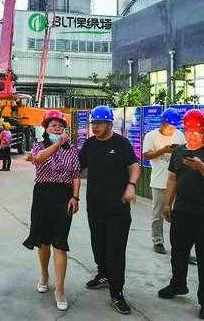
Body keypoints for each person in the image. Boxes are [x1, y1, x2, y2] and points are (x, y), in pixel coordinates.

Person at [159, 109, 204, 320]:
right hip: (182, 212)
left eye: (197, 131)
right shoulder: (179, 152)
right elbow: (171, 179)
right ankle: (178, 284)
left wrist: (201, 167)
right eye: (188, 130)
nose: (192, 135)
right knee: (178, 253)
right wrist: (167, 204)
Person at [79, 105, 140, 315]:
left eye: (99, 123)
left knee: (115, 250)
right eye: (93, 123)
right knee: (98, 244)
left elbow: (134, 166)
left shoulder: (121, 144)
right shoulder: (89, 145)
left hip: (118, 208)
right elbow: (77, 167)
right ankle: (103, 274)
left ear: (109, 124)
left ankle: (117, 293)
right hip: (95, 206)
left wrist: (131, 186)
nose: (95, 127)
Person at [22, 110, 81, 312]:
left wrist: (75, 197)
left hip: (63, 197)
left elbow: (75, 174)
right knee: (43, 241)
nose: (57, 128)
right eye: (53, 125)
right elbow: (38, 159)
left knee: (60, 243)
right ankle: (44, 275)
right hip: (43, 195)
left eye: (60, 125)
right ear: (46, 129)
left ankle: (60, 289)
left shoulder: (72, 150)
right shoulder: (39, 146)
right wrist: (57, 144)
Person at [142, 108, 185, 255]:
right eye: (168, 126)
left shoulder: (180, 135)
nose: (171, 129)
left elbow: (186, 152)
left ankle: (180, 244)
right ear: (162, 123)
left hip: (178, 182)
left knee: (179, 214)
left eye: (174, 126)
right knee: (158, 214)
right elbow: (146, 155)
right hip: (159, 181)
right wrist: (163, 150)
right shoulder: (151, 136)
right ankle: (158, 241)